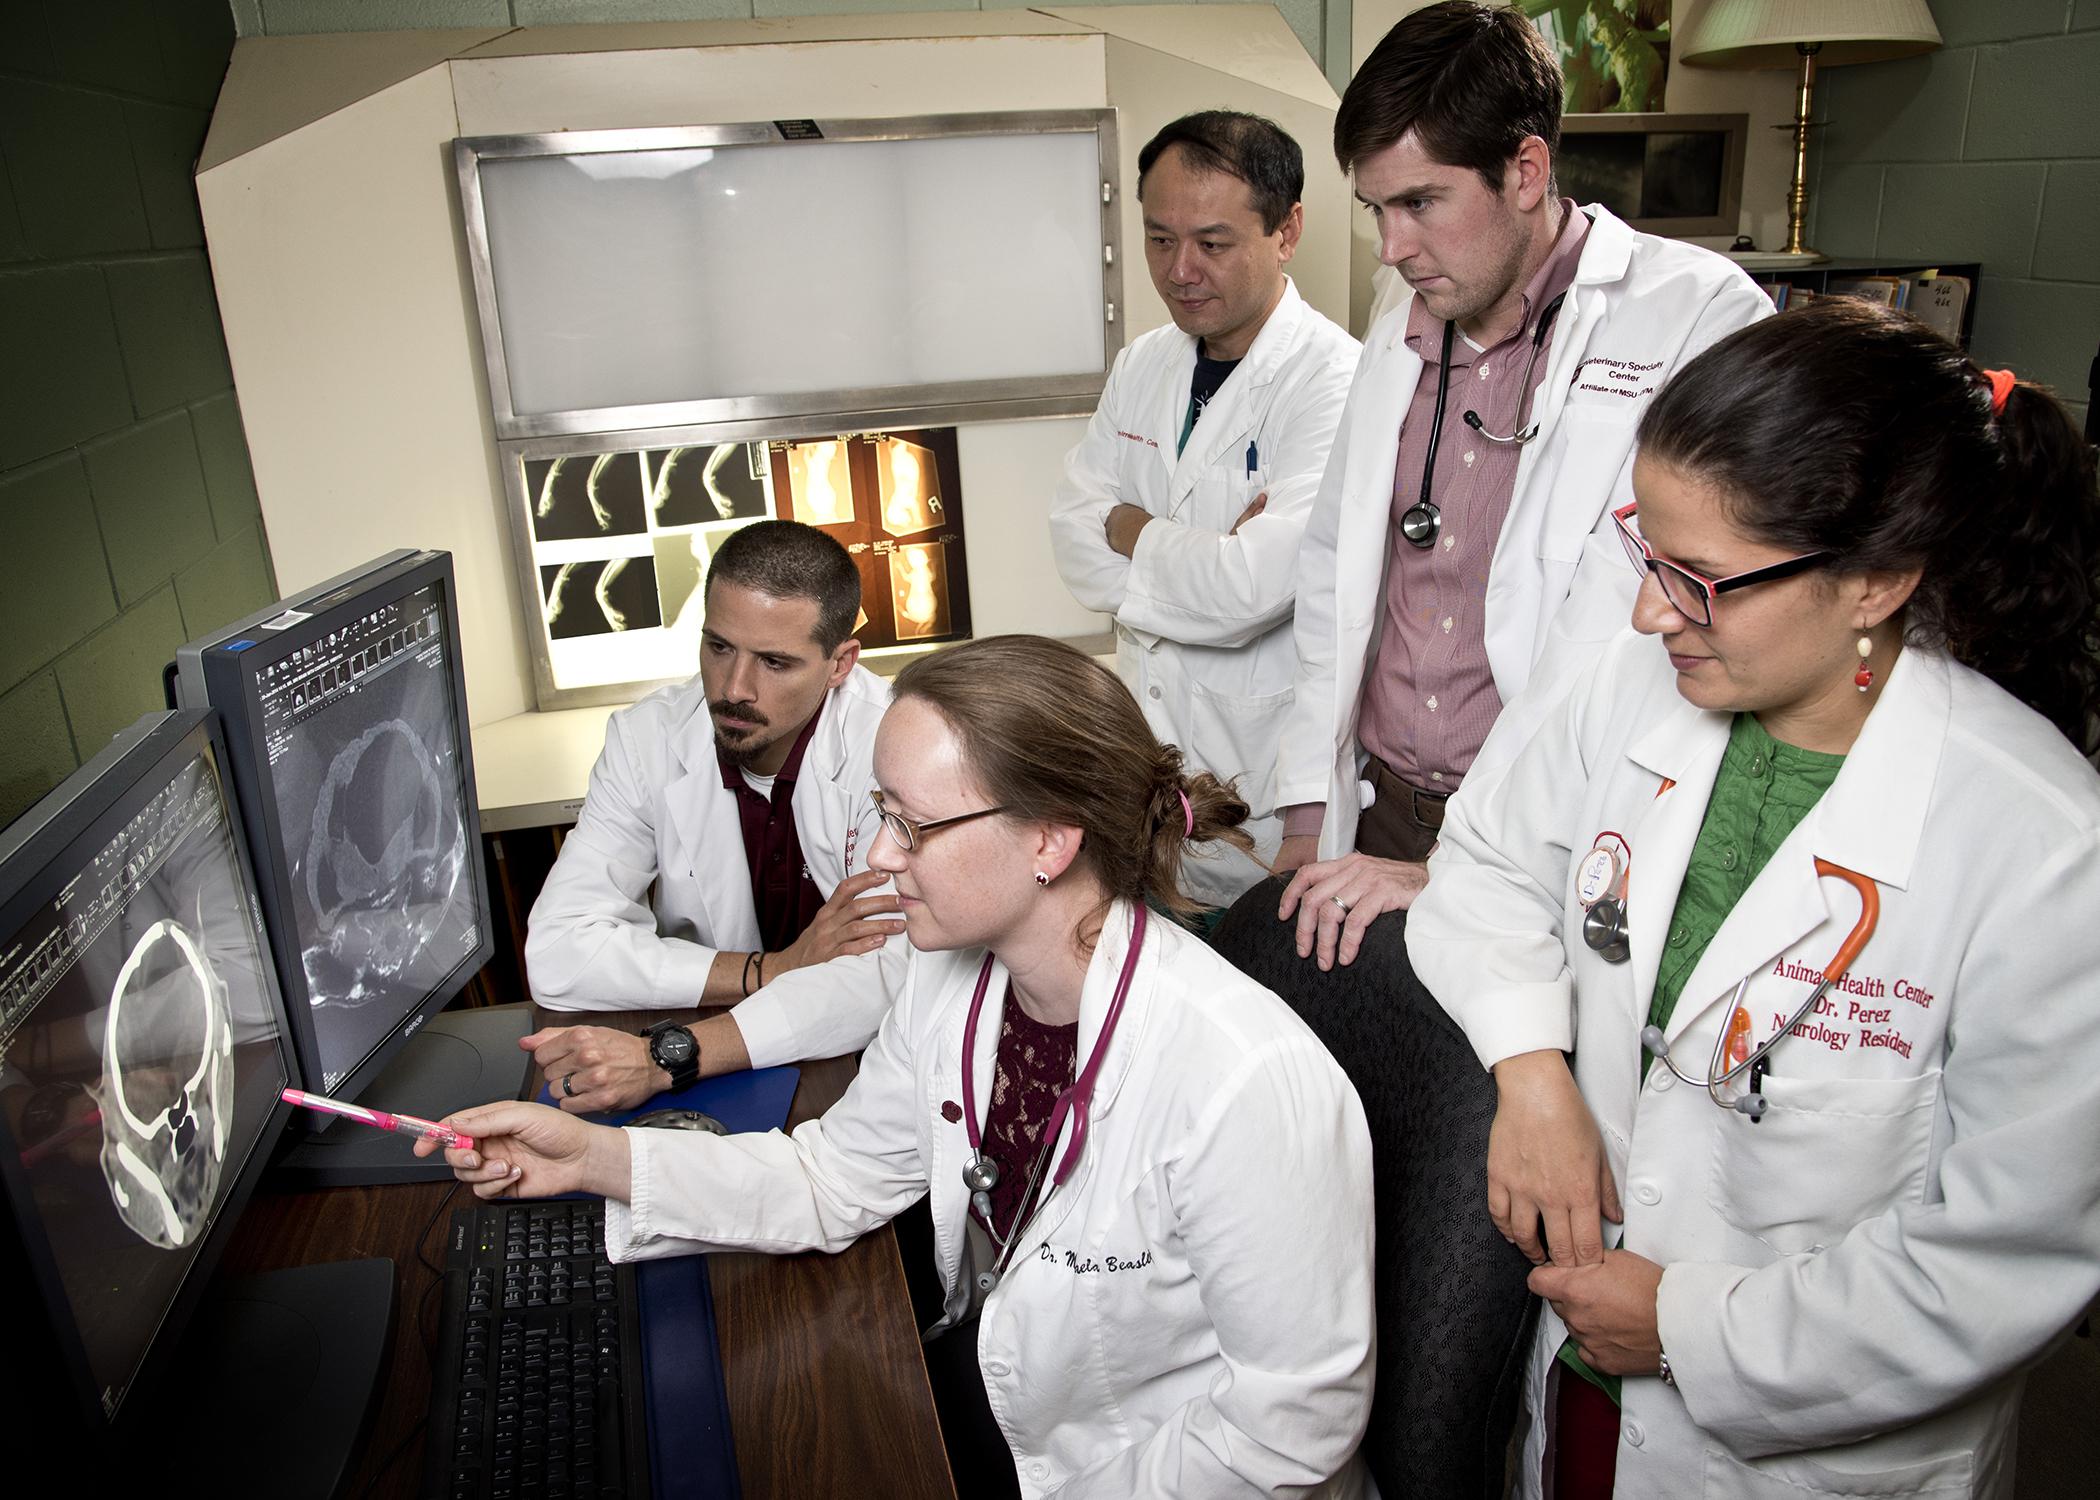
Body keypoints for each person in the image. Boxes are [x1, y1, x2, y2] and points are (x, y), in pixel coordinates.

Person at [1405, 298, 2100, 1497]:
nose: (1645, 611)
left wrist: (1694, 1330)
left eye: (1701, 579)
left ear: (1876, 579)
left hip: (1808, 1444)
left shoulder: (2039, 845)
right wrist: (1531, 1072)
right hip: (1577, 1382)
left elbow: (2006, 1256)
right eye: (1645, 550)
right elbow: (1484, 865)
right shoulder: (1630, 689)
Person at [426, 635, 1377, 1498]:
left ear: (1049, 839)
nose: (880, 857)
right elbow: (831, 1177)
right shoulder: (955, 981)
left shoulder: (1243, 1082)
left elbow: (1291, 1427)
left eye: (912, 827)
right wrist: (590, 1159)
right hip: (1015, 1398)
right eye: (882, 814)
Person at [1270, 2, 1773, 967]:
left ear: (1527, 171)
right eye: (1378, 209)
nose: (1391, 247)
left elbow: (1623, 622)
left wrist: (1472, 863)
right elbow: (1337, 572)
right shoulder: (1409, 305)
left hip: (1560, 836)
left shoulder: (1696, 318)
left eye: (1420, 202)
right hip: (1379, 819)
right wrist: (1307, 804)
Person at [1049, 111, 1359, 908]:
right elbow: (1076, 546)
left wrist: (1133, 528)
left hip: (1258, 788)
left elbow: (1254, 588)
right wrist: (1204, 562)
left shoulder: (1335, 380)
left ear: (1287, 231)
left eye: (1212, 244)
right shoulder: (1144, 363)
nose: (1180, 270)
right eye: (1159, 239)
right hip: (1141, 774)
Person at [522, 520, 906, 1113]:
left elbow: (885, 976)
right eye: (719, 646)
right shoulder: (646, 738)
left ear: (840, 663)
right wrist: (770, 969)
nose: (734, 688)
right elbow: (559, 950)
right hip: (731, 1055)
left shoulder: (894, 745)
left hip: (868, 1071)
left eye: (775, 663)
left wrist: (671, 1055)